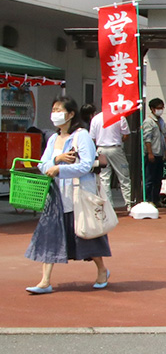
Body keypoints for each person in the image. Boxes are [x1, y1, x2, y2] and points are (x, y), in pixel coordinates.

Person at [24, 96, 111, 294]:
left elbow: (86, 165)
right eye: (53, 110)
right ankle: (45, 281)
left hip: (77, 194)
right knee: (50, 235)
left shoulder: (82, 136)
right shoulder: (54, 138)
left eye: (59, 110)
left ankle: (102, 270)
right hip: (56, 196)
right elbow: (42, 163)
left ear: (71, 114)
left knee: (86, 235)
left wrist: (59, 169)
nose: (55, 114)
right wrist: (57, 159)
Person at [89, 109, 133, 211]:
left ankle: (108, 206)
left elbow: (92, 137)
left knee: (104, 178)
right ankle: (129, 204)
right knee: (124, 176)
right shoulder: (119, 117)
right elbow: (126, 134)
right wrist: (120, 139)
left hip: (101, 149)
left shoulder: (96, 118)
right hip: (115, 148)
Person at [141, 98, 166, 206]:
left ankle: (156, 199)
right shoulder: (148, 122)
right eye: (158, 108)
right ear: (152, 109)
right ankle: (148, 200)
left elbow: (164, 135)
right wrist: (150, 153)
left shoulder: (161, 121)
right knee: (149, 178)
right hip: (152, 153)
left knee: (158, 179)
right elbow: (147, 139)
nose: (160, 110)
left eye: (162, 108)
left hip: (160, 153)